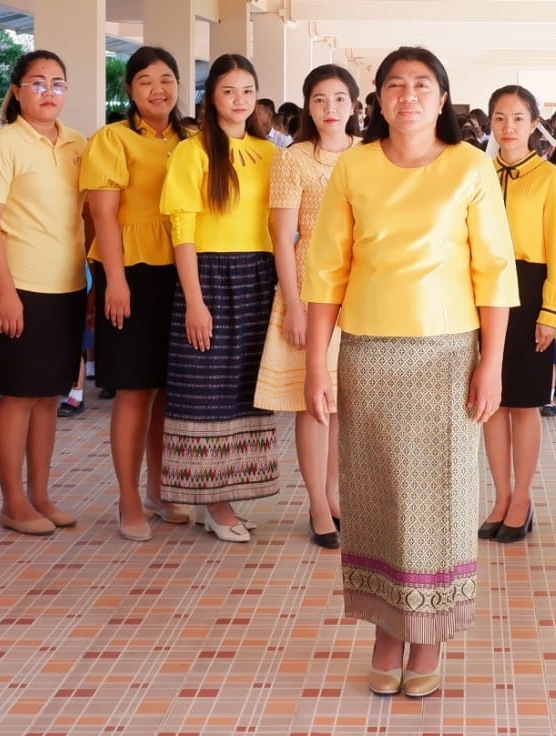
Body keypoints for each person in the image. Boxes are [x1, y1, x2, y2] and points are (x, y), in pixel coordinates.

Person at [302, 46, 518, 699]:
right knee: (375, 497)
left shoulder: (470, 166)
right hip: (368, 351)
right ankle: (385, 629)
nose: (408, 95)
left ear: (442, 99)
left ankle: (427, 636)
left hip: (450, 354)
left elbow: (495, 273)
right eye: (395, 84)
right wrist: (317, 361)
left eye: (422, 84)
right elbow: (325, 271)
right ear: (379, 99)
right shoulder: (356, 167)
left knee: (442, 499)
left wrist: (493, 367)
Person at [160, 53, 280, 542]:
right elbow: (182, 229)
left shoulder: (271, 152)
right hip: (208, 276)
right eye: (229, 91)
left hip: (259, 275)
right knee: (207, 387)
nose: (239, 100)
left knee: (245, 390)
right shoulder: (193, 152)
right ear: (212, 96)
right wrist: (194, 299)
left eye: (247, 91)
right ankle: (214, 500)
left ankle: (230, 496)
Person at [0, 50, 90, 537]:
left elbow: (88, 216)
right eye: (37, 83)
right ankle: (13, 502)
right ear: (17, 91)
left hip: (66, 286)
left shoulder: (79, 144)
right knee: (17, 397)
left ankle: (40, 493)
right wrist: (5, 292)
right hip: (18, 287)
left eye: (57, 83)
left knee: (48, 397)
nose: (48, 92)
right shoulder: (2, 145)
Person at [82, 47, 191, 542]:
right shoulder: (113, 138)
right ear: (130, 89)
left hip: (182, 270)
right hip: (130, 270)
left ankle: (159, 488)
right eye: (146, 80)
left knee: (168, 389)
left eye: (166, 79)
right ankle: (128, 497)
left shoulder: (189, 139)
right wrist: (117, 279)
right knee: (133, 389)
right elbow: (104, 214)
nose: (158, 89)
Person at [253, 64, 360, 549]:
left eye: (339, 99)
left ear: (355, 105)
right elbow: (282, 235)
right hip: (309, 287)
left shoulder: (370, 156)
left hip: (360, 291)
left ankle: (335, 496)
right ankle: (317, 502)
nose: (330, 109)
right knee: (311, 401)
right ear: (307, 106)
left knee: (342, 406)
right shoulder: (292, 159)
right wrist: (293, 304)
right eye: (320, 100)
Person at [479, 84, 556, 545]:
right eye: (499, 118)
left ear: (535, 123)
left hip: (532, 289)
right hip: (484, 291)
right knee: (490, 401)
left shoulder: (551, 179)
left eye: (517, 118)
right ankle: (499, 496)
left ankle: (523, 498)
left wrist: (550, 311)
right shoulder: (479, 172)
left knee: (525, 402)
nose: (507, 128)